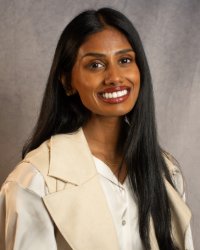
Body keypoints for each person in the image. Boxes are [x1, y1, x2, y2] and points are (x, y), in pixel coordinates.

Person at [0, 7, 194, 250]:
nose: (115, 77)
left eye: (125, 60)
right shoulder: (35, 181)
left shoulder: (166, 172)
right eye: (95, 65)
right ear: (67, 81)